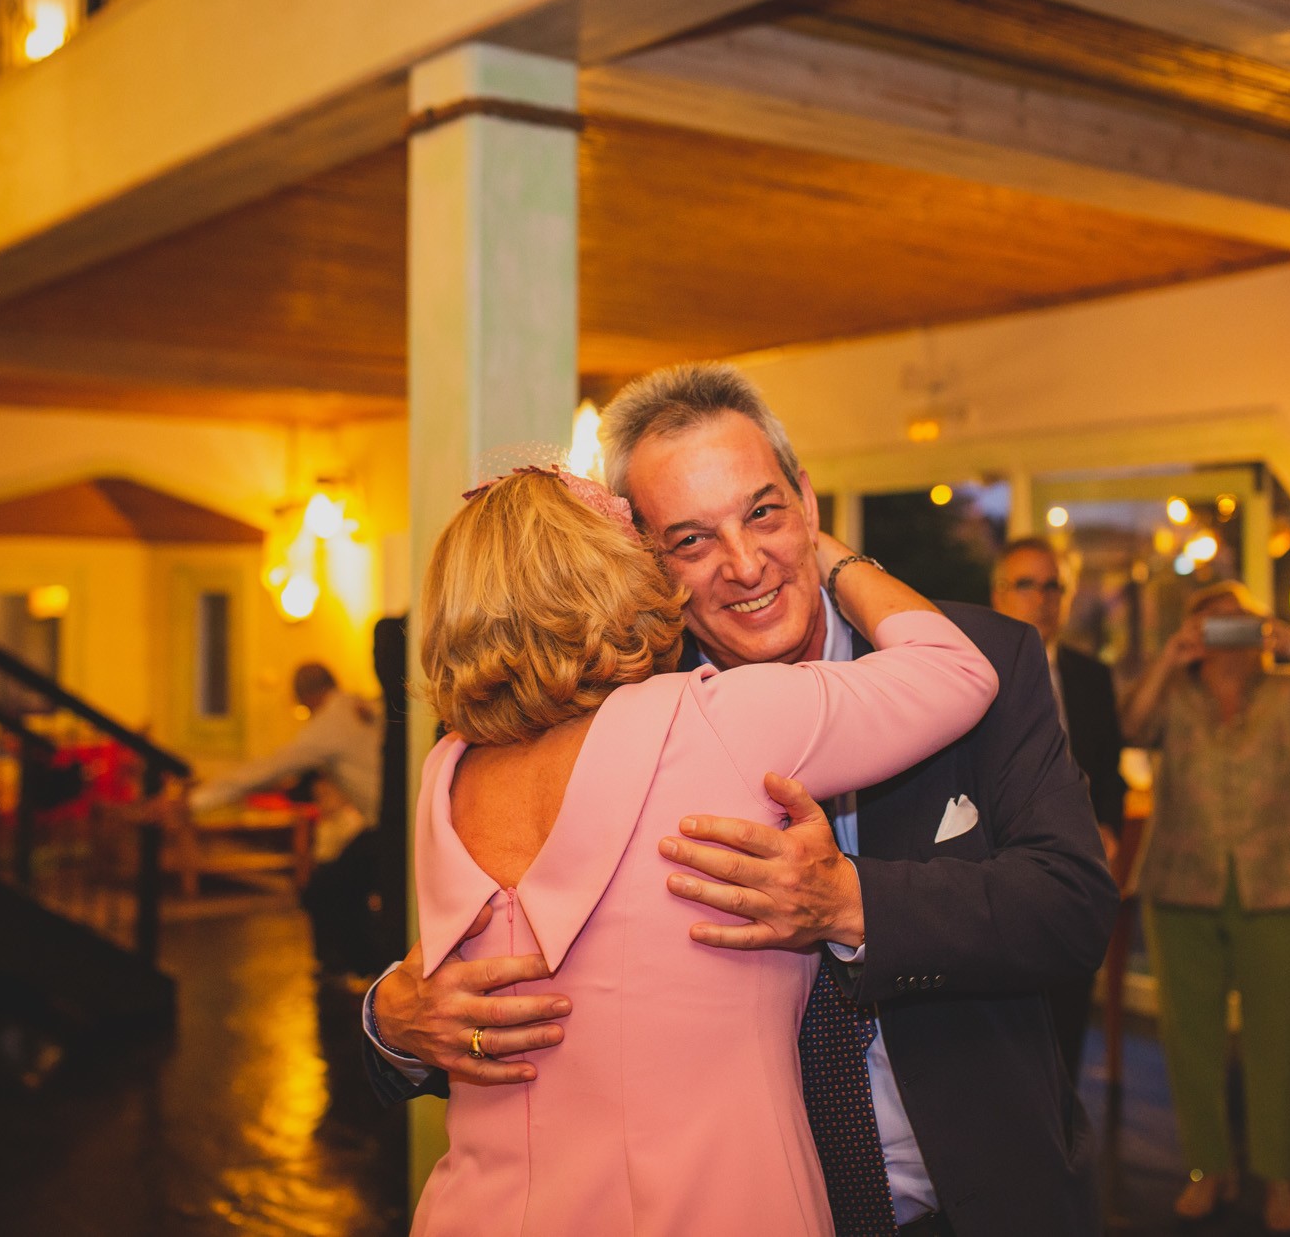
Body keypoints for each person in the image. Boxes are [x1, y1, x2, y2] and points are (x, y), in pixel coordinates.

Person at [368, 365, 1118, 1237]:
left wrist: (852, 904)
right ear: (645, 559)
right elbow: (486, 981)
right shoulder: (626, 707)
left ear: (807, 498)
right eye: (691, 540)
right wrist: (387, 1014)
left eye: (764, 512)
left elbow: (1073, 905)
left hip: (974, 1200)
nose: (745, 563)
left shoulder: (993, 653)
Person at [404, 467, 997, 1234]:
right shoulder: (717, 716)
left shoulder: (443, 776)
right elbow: (957, 670)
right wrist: (825, 553)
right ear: (618, 578)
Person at [1120, 578, 1290, 1231]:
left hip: (1281, 883)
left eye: (1239, 620)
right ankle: (1207, 1166)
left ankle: (1280, 1176)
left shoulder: (1289, 693)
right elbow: (1129, 723)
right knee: (1189, 1036)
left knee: (1280, 1040)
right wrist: (1170, 657)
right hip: (1180, 882)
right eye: (1212, 621)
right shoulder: (1173, 693)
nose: (1227, 631)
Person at [989, 537, 1124, 1077]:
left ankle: (1063, 1144)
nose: (1042, 598)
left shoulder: (1091, 677)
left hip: (1075, 874)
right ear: (997, 594)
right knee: (1004, 1038)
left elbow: (1108, 769)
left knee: (1067, 1025)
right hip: (997, 874)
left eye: (1053, 586)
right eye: (1027, 584)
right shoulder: (973, 672)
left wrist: (1109, 828)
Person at [185, 662, 384, 978]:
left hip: (389, 826)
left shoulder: (330, 724)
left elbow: (268, 769)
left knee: (324, 890)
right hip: (385, 824)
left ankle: (363, 970)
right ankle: (357, 967)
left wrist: (195, 801)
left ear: (305, 696)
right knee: (335, 887)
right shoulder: (359, 706)